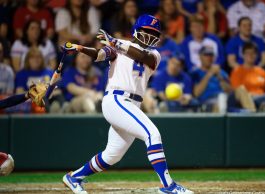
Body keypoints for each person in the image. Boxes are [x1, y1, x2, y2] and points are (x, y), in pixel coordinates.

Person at [61, 15, 193, 194]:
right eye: (146, 31)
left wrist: (115, 42)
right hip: (116, 100)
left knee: (112, 155)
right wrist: (80, 48)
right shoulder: (118, 45)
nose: (149, 35)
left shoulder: (155, 54)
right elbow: (100, 54)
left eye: (153, 33)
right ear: (137, 30)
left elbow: (141, 56)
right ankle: (168, 185)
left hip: (132, 105)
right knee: (152, 134)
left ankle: (74, 177)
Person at [230, 42, 265, 112]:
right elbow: (238, 91)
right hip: (246, 99)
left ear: (257, 55)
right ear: (243, 55)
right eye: (247, 53)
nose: (250, 55)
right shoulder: (237, 71)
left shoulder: (262, 72)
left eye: (253, 53)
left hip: (262, 99)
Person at [192, 46, 231, 112]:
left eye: (211, 55)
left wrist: (219, 76)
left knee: (241, 90)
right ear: (200, 57)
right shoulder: (195, 73)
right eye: (206, 55)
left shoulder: (221, 72)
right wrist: (209, 73)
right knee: (219, 101)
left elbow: (229, 91)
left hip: (225, 98)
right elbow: (196, 93)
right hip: (207, 101)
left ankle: (251, 116)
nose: (209, 58)